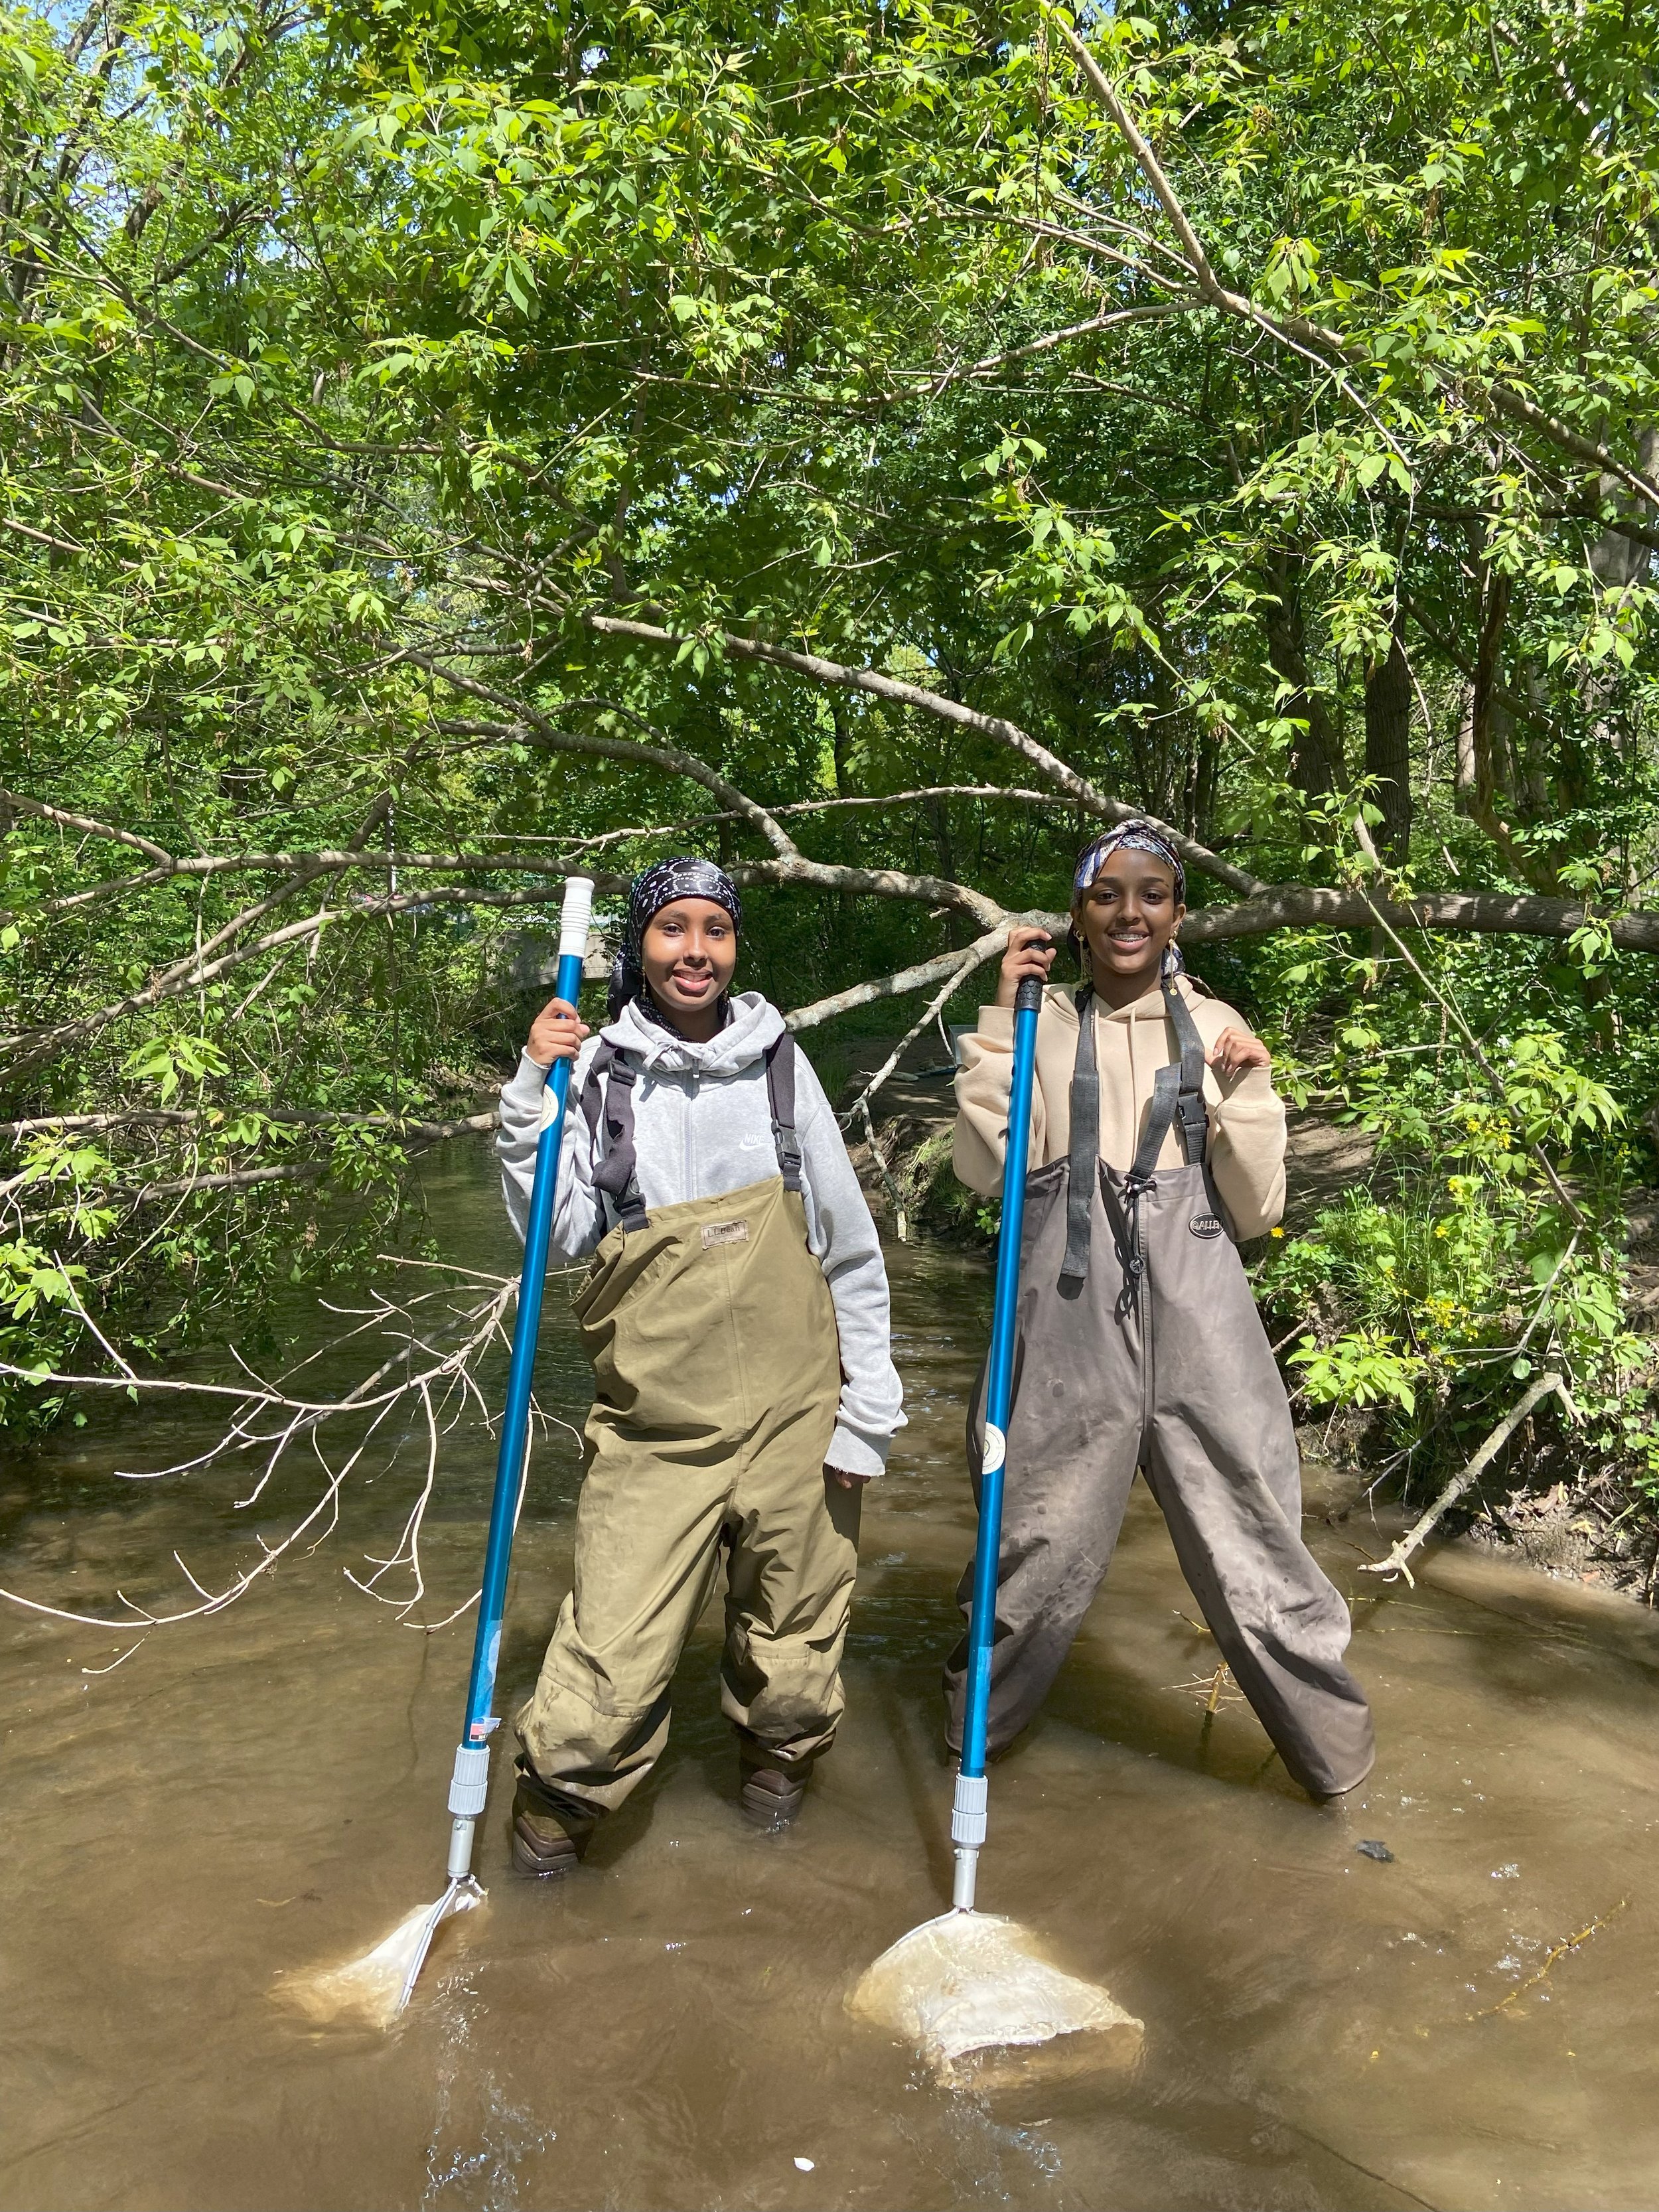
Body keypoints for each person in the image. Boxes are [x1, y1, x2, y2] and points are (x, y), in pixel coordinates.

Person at [948, 821, 1374, 1800]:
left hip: (1201, 1328)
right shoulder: (1039, 1022)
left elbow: (1257, 1211)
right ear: (1079, 916)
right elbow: (982, 1174)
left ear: (1178, 913)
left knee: (1260, 1556)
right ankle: (967, 1762)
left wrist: (1249, 1093)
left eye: (1152, 894)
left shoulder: (1217, 1022)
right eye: (1107, 895)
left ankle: (1343, 1786)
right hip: (1065, 1330)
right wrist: (1001, 1024)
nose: (1129, 913)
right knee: (1029, 1556)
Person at [496, 857, 905, 1874]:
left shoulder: (781, 1067)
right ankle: (544, 1851)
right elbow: (556, 1236)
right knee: (607, 1669)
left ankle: (772, 1828)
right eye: (672, 928)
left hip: (799, 1416)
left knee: (794, 1655)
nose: (694, 950)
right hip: (654, 1428)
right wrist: (531, 1094)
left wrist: (867, 1415)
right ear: (639, 945)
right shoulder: (600, 1073)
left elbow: (852, 1251)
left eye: (714, 929)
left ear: (734, 944)